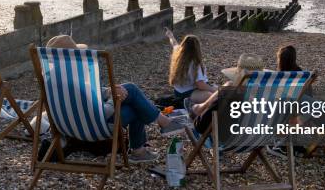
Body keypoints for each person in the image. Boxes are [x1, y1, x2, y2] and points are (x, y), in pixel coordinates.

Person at [46, 35, 186, 163]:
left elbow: (89, 94)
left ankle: (143, 147)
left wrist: (109, 91)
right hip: (95, 129)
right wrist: (114, 98)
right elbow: (103, 112)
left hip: (68, 128)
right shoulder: (75, 82)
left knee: (131, 94)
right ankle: (161, 127)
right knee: (134, 100)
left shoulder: (51, 80)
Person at [165, 28, 216, 103]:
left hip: (178, 92)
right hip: (189, 93)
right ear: (197, 48)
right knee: (213, 96)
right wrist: (216, 91)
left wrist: (170, 36)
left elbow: (174, 44)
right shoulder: (195, 63)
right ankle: (189, 104)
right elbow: (200, 85)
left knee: (214, 90)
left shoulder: (177, 54)